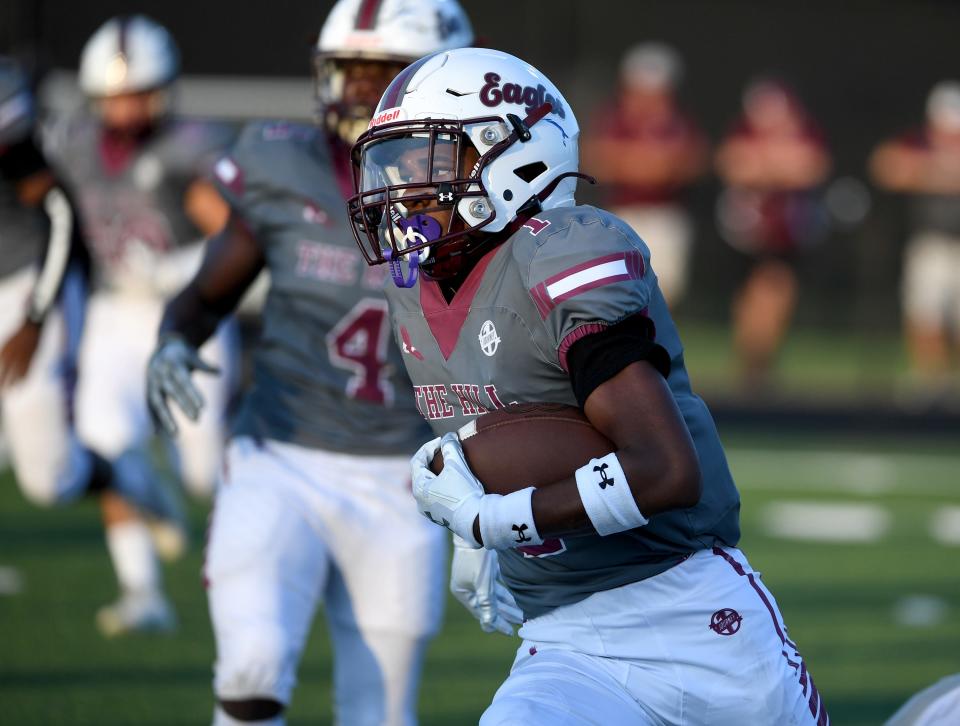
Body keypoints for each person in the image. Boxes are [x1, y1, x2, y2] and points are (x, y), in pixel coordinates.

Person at [348, 47, 829, 724]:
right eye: (395, 166)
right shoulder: (414, 290)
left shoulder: (564, 249)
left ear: (511, 156)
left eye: (428, 163)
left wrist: (490, 521)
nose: (404, 189)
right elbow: (495, 431)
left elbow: (664, 471)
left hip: (692, 616)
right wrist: (473, 533)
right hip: (564, 634)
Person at [144, 1, 473, 724]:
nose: (357, 92)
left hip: (407, 472)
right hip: (280, 455)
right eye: (347, 72)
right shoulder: (280, 161)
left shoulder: (474, 197)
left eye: (378, 74)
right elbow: (208, 290)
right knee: (253, 666)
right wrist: (175, 338)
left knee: (379, 712)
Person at [44, 15, 237, 636]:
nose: (125, 108)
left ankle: (192, 523)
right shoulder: (72, 142)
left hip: (187, 311)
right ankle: (141, 590)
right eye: (115, 95)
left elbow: (234, 234)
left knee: (205, 473)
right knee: (104, 437)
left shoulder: (189, 146)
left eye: (137, 93)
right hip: (111, 311)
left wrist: (175, 267)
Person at [714, 78, 831, 387]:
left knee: (775, 292)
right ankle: (753, 364)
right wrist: (777, 166)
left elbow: (810, 167)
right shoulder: (742, 133)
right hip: (746, 232)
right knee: (752, 298)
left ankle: (758, 363)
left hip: (786, 234)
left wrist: (766, 166)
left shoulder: (805, 133)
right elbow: (734, 165)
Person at [582, 42, 708, 308]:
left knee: (666, 290)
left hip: (664, 215)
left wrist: (641, 163)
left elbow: (692, 160)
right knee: (620, 288)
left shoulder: (677, 121)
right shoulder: (615, 119)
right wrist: (647, 162)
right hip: (622, 213)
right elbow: (598, 157)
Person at [870, 80, 960, 393]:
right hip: (931, 240)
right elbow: (886, 166)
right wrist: (938, 171)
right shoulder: (917, 143)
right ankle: (931, 382)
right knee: (926, 314)